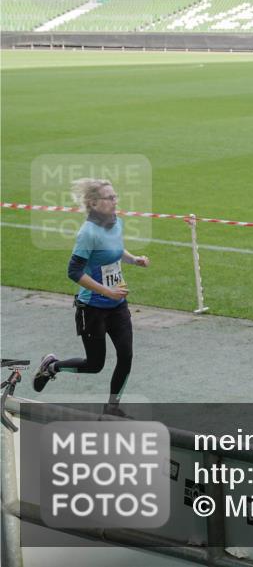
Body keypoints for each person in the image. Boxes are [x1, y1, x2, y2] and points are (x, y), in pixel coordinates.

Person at [33, 178, 149, 417]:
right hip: (92, 308)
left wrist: (133, 259)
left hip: (117, 306)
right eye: (110, 197)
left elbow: (115, 249)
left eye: (115, 196)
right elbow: (73, 272)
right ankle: (51, 366)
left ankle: (112, 406)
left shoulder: (117, 223)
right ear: (94, 203)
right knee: (95, 365)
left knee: (126, 356)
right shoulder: (87, 233)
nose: (115, 201)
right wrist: (106, 291)